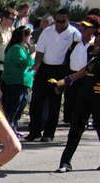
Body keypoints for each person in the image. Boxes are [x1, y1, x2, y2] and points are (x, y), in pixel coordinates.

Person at [25, 8, 80, 142]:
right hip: (44, 68)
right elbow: (40, 51)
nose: (59, 24)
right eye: (57, 21)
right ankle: (35, 131)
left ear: (68, 20)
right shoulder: (47, 32)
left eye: (62, 21)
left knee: (54, 103)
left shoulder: (74, 34)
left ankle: (49, 133)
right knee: (37, 101)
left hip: (60, 70)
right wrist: (37, 64)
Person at [55, 21, 100, 173]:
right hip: (85, 97)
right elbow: (81, 72)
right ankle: (65, 163)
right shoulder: (94, 59)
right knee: (75, 129)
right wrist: (62, 82)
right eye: (97, 44)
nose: (97, 46)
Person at [62, 16, 99, 125]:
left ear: (94, 29)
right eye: (82, 27)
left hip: (87, 80)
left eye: (87, 28)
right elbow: (66, 61)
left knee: (81, 108)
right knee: (70, 105)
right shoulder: (75, 43)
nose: (83, 30)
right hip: (72, 79)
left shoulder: (95, 45)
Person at [1, 26, 35, 137]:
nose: (31, 37)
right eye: (29, 35)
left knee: (20, 107)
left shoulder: (24, 48)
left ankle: (14, 129)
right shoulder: (16, 48)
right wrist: (32, 54)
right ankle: (8, 130)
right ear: (24, 36)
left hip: (24, 83)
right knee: (13, 107)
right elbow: (24, 63)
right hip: (14, 83)